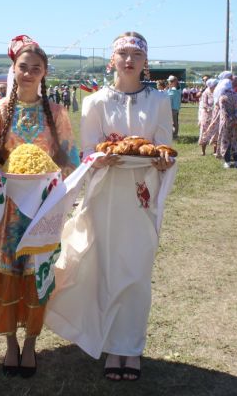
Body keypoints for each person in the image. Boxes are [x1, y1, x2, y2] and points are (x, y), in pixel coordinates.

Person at [45, 32, 175, 382]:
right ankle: (104, 338)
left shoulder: (159, 101)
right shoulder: (95, 102)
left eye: (136, 54)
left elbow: (165, 148)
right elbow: (88, 152)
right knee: (102, 267)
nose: (129, 60)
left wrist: (161, 161)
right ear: (112, 60)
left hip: (140, 194)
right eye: (123, 54)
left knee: (135, 271)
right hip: (104, 194)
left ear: (145, 62)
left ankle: (128, 347)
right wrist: (102, 158)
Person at [0, 36, 78, 378]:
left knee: (37, 270)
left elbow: (71, 159)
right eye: (23, 68)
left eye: (36, 69)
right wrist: (1, 177)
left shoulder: (57, 113)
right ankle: (11, 343)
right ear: (13, 70)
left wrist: (53, 183)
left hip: (43, 207)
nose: (29, 74)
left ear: (44, 73)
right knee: (9, 272)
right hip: (8, 209)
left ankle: (31, 342)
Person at [217, 77, 237, 169]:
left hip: (226, 122)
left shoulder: (222, 96)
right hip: (236, 121)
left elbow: (223, 111)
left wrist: (230, 117)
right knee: (235, 140)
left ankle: (227, 161)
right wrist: (235, 116)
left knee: (225, 141)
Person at [198, 78, 218, 155]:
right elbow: (204, 104)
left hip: (215, 116)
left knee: (216, 133)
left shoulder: (217, 92)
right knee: (204, 132)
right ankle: (203, 151)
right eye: (215, 85)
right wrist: (211, 109)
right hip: (207, 116)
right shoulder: (205, 93)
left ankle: (215, 151)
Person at [166, 75, 182, 139]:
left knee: (172, 122)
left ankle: (174, 135)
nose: (169, 82)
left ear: (174, 82)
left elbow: (168, 98)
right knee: (174, 122)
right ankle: (174, 135)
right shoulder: (177, 88)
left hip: (172, 108)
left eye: (170, 81)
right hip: (175, 108)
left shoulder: (173, 90)